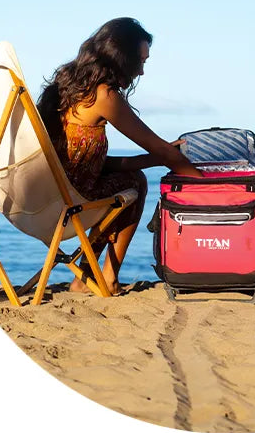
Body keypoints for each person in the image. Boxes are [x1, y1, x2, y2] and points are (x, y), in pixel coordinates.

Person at [37, 17, 202, 294]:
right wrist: (203, 181)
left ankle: (84, 278)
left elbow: (93, 165)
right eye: (142, 61)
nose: (141, 72)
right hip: (70, 201)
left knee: (129, 178)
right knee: (135, 183)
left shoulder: (67, 87)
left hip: (47, 195)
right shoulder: (103, 95)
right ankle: (108, 277)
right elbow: (155, 145)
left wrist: (160, 158)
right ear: (122, 57)